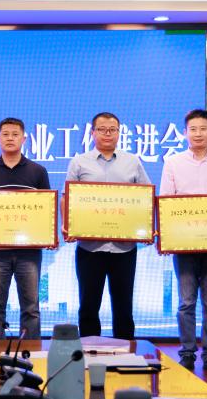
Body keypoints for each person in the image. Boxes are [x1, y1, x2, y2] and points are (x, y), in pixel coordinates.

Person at [159, 109, 207, 373]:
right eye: (193, 129)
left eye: (203, 129)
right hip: (184, 244)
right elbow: (166, 201)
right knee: (186, 302)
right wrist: (166, 237)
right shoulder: (173, 162)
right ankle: (188, 353)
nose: (198, 134)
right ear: (185, 133)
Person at [65, 112, 151, 339]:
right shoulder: (79, 162)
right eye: (102, 129)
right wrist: (69, 226)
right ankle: (88, 350)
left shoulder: (132, 161)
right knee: (88, 305)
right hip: (89, 248)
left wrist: (146, 227)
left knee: (123, 306)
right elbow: (68, 198)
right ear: (92, 133)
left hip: (124, 249)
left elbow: (146, 197)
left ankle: (126, 352)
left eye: (112, 130)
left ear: (119, 133)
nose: (107, 134)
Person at [0, 117, 51, 340]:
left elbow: (46, 210)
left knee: (31, 308)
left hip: (29, 252)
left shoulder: (38, 171)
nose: (10, 138)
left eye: (15, 134)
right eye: (5, 134)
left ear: (24, 139)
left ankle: (30, 354)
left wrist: (48, 235)